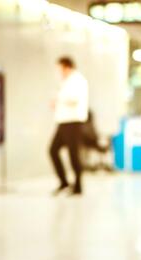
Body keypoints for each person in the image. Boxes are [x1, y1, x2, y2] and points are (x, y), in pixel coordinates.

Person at [49, 56, 89, 195]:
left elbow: (74, 99)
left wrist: (58, 99)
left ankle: (78, 186)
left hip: (73, 122)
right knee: (53, 150)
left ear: (67, 66)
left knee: (73, 155)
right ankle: (64, 182)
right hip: (63, 122)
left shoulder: (78, 80)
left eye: (60, 68)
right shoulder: (65, 81)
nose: (59, 71)